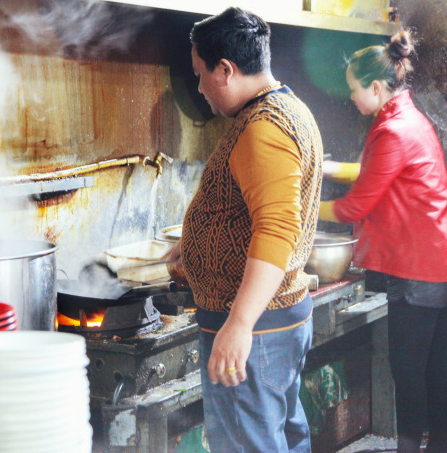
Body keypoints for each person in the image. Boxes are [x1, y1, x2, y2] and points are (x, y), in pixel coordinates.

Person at [166, 7, 323, 452]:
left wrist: (238, 324)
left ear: (226, 69)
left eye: (200, 74)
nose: (199, 87)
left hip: (256, 326)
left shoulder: (263, 128)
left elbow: (276, 230)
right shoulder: (286, 107)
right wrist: (195, 245)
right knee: (279, 438)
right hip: (273, 319)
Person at [320, 30, 447, 453]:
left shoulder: (392, 131)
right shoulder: (407, 117)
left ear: (374, 87)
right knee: (437, 364)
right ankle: (437, 448)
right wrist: (326, 168)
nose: (351, 97)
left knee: (407, 372)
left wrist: (300, 210)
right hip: (442, 260)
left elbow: (356, 206)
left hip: (421, 269)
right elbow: (375, 172)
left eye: (353, 89)